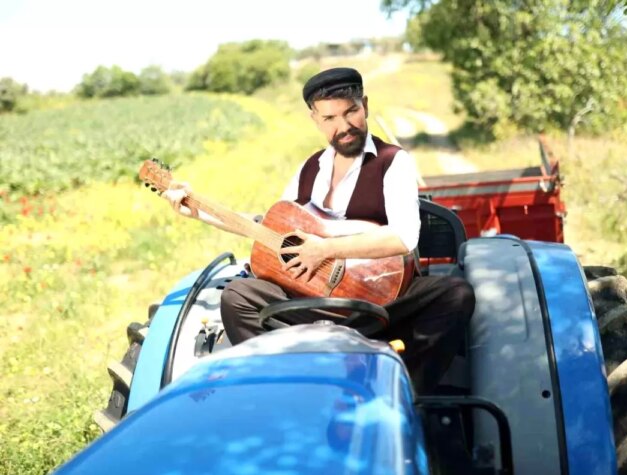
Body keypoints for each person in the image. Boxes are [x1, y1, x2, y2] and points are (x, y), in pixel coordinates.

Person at [163, 67, 475, 394]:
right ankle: (289, 390)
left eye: (351, 112)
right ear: (315, 119)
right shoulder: (310, 168)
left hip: (381, 302)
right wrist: (199, 211)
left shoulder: (392, 162)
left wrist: (324, 249)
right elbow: (270, 227)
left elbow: (403, 237)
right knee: (237, 296)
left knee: (455, 294)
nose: (344, 126)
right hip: (310, 300)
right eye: (329, 118)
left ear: (365, 106)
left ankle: (401, 390)